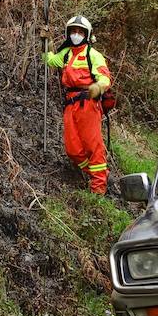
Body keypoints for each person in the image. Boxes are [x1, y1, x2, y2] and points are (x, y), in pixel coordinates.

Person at [42, 15, 113, 194]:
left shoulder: (93, 55)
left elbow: (105, 78)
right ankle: (99, 173)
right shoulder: (66, 54)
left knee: (92, 145)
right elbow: (49, 60)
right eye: (73, 31)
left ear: (86, 34)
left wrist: (98, 87)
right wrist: (46, 42)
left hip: (88, 103)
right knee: (72, 149)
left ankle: (98, 188)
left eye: (80, 32)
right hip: (70, 104)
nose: (76, 34)